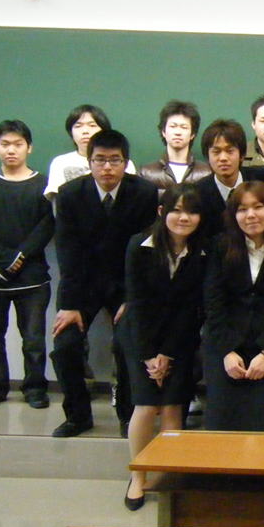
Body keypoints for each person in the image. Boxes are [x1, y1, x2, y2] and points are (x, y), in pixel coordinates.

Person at [50, 130, 158, 437]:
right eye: (100, 160)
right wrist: (70, 305)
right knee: (65, 345)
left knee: (127, 344)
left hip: (126, 284)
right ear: (89, 162)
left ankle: (127, 415)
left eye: (115, 160)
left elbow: (145, 250)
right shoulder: (70, 194)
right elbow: (67, 252)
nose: (107, 167)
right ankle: (77, 416)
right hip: (82, 285)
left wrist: (132, 298)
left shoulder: (144, 192)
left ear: (126, 162)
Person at [118, 185, 207, 511]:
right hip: (139, 336)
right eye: (176, 210)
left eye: (192, 212)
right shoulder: (139, 246)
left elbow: (189, 308)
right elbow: (137, 303)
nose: (184, 218)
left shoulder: (201, 252)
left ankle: (168, 475)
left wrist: (167, 354)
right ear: (161, 212)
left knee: (172, 407)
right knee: (145, 405)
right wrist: (148, 357)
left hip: (178, 338)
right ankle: (138, 475)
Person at [0, 120, 54, 410]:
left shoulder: (44, 185)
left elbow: (46, 225)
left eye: (18, 144)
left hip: (33, 278)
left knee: (34, 340)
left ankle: (35, 389)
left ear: (29, 147)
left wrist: (20, 257)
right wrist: (4, 259)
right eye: (5, 144)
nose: (11, 150)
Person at [202, 181, 264, 431]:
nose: (251, 215)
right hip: (226, 346)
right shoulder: (220, 246)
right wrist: (227, 351)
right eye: (242, 209)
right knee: (221, 421)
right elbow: (213, 303)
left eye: (258, 207)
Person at [44, 104, 136, 199]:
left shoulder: (123, 162)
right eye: (78, 126)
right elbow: (55, 199)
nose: (85, 131)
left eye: (92, 125)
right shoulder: (60, 162)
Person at [195, 119, 260, 244]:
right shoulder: (198, 192)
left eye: (230, 151)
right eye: (216, 152)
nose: (223, 158)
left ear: (242, 155)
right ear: (207, 156)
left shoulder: (261, 181)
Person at [138, 100, 211, 193]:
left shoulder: (207, 173)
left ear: (192, 134)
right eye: (173, 126)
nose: (178, 132)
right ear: (163, 131)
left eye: (184, 127)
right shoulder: (145, 173)